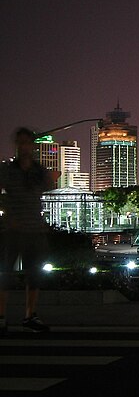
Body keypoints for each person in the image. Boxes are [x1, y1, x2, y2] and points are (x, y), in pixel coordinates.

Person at [0, 127, 59, 335]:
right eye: (20, 143)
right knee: (5, 274)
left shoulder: (38, 171)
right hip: (13, 230)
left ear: (32, 146)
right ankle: (1, 317)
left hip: (34, 229)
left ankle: (30, 316)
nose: (24, 147)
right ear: (17, 145)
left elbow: (51, 184)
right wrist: (9, 216)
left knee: (34, 275)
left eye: (27, 143)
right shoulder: (8, 170)